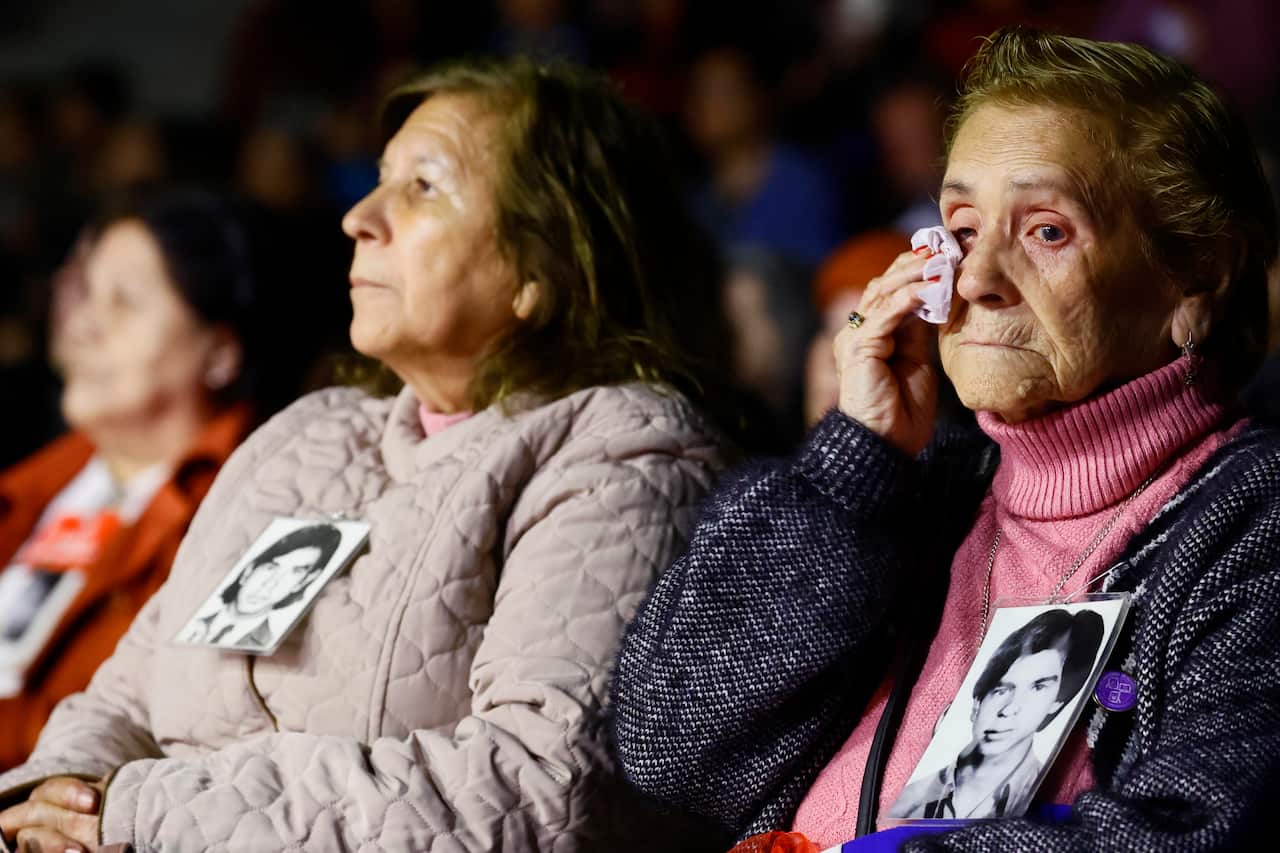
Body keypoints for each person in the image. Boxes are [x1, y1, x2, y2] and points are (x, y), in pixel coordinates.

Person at [0, 57, 725, 852]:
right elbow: (125, 698)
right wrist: (50, 799)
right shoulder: (312, 433)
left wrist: (141, 808)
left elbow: (536, 786)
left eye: (423, 188)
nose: (360, 217)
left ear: (542, 266)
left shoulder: (625, 449)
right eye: (379, 180)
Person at [611, 27, 1280, 851]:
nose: (981, 279)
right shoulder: (930, 488)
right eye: (962, 230)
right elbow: (665, 743)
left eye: (1047, 231)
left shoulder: (1250, 519)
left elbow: (1194, 827)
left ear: (1198, 277)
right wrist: (857, 461)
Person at [0, 191, 310, 771]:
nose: (82, 325)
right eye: (87, 294)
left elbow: (179, 728)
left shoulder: (263, 510)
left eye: (124, 302)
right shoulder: (46, 477)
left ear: (220, 352)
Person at [889, 609, 1104, 821]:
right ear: (977, 703)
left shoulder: (1055, 800)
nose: (1009, 709)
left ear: (1056, 704)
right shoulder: (912, 800)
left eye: (1038, 687)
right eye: (1001, 690)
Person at [175, 522, 343, 649]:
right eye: (271, 567)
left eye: (294, 572)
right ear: (248, 571)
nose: (269, 585)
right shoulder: (186, 620)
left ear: (302, 583)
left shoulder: (268, 640)